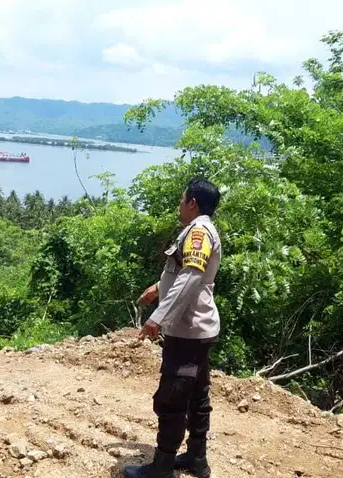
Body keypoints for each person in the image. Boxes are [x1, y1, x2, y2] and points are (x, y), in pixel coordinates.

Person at [125, 179, 222, 478]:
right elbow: (185, 273)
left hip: (187, 330)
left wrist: (158, 318)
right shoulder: (198, 231)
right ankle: (196, 458)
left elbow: (192, 276)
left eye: (182, 200)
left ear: (192, 202)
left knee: (173, 397)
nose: (180, 205)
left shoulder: (199, 232)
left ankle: (162, 467)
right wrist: (157, 288)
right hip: (197, 329)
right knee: (196, 395)